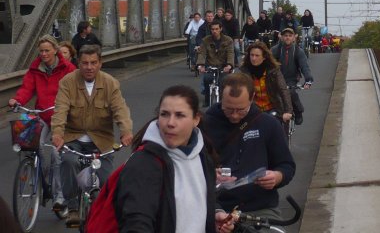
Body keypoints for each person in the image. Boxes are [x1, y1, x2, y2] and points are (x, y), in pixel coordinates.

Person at [115, 85, 237, 233]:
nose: (170, 123)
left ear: (196, 119)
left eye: (180, 115)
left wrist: (214, 214)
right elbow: (136, 223)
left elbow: (200, 199)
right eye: (165, 114)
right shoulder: (144, 163)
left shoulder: (203, 157)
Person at [51, 44, 133, 226]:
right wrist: (57, 133)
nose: (89, 67)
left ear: (100, 63)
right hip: (73, 138)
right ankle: (72, 207)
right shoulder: (67, 82)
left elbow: (120, 109)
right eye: (85, 63)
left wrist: (126, 131)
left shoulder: (110, 83)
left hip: (101, 141)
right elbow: (60, 110)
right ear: (78, 63)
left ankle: (101, 215)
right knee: (68, 162)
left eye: (93, 63)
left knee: (105, 181)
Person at [203, 73, 295, 223]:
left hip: (260, 208)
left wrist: (277, 177)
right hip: (215, 207)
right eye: (228, 109)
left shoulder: (268, 124)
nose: (234, 116)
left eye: (241, 110)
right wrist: (209, 175)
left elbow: (287, 166)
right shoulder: (204, 125)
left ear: (252, 98)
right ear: (220, 99)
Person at [8, 34, 76, 217]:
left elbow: (75, 90)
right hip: (42, 114)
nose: (44, 54)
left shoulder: (68, 69)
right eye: (41, 51)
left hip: (61, 117)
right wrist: (17, 99)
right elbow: (26, 89)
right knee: (30, 144)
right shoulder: (35, 69)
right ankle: (39, 171)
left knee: (56, 153)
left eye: (47, 50)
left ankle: (59, 197)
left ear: (55, 50)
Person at [238, 41, 292, 133]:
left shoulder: (273, 70)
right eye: (252, 55)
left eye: (257, 55)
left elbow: (283, 89)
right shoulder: (244, 71)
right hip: (253, 109)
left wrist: (288, 111)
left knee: (278, 133)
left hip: (272, 107)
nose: (254, 58)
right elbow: (237, 91)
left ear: (264, 57)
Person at [272, 28, 313, 125]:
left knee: (291, 93)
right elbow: (267, 65)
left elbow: (305, 67)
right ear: (281, 37)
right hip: (276, 79)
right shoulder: (274, 50)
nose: (287, 37)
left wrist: (308, 80)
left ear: (294, 37)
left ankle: (298, 112)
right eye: (285, 35)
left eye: (290, 36)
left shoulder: (299, 51)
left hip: (291, 79)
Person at [197, 21, 234, 107]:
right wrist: (200, 65)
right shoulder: (206, 40)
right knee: (206, 79)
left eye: (217, 29)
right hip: (211, 65)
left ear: (220, 29)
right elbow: (202, 53)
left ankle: (224, 101)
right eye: (213, 29)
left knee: (224, 82)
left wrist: (229, 65)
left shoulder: (228, 40)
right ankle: (207, 100)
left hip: (223, 66)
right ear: (210, 30)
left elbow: (230, 53)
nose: (214, 31)